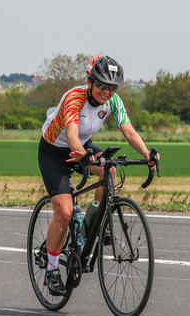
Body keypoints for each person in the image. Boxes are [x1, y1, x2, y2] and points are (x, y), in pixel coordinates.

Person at [38, 55, 157, 296]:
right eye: (102, 85)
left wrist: (147, 154)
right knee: (64, 211)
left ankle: (90, 225)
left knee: (110, 169)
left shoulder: (113, 101)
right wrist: (82, 157)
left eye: (112, 87)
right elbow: (71, 133)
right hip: (54, 151)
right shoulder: (74, 97)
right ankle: (52, 270)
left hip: (83, 144)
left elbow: (128, 130)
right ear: (90, 81)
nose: (107, 91)